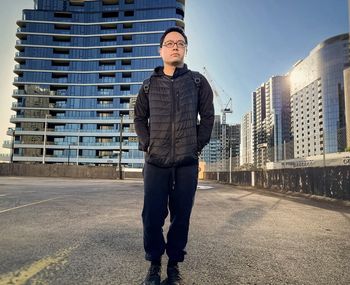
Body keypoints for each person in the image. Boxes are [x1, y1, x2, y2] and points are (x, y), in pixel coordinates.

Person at [134, 26, 214, 285]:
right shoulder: (148, 86)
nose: (175, 46)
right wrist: (147, 144)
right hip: (155, 162)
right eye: (169, 43)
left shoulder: (198, 82)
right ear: (161, 50)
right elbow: (138, 118)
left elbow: (208, 116)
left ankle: (174, 267)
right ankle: (155, 264)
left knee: (181, 217)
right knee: (152, 216)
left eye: (180, 43)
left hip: (186, 163)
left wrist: (196, 145)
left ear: (186, 49)